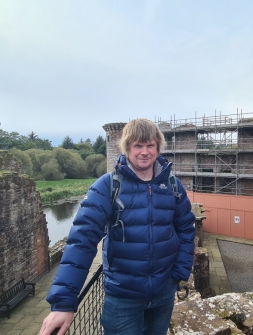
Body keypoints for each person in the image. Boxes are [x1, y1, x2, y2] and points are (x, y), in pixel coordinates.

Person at [39, 118, 196, 335]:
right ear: (127, 148)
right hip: (123, 298)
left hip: (163, 291)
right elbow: (82, 240)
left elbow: (186, 228)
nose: (144, 152)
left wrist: (179, 271)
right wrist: (64, 303)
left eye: (150, 145)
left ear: (158, 148)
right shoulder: (107, 186)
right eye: (138, 145)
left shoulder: (172, 185)